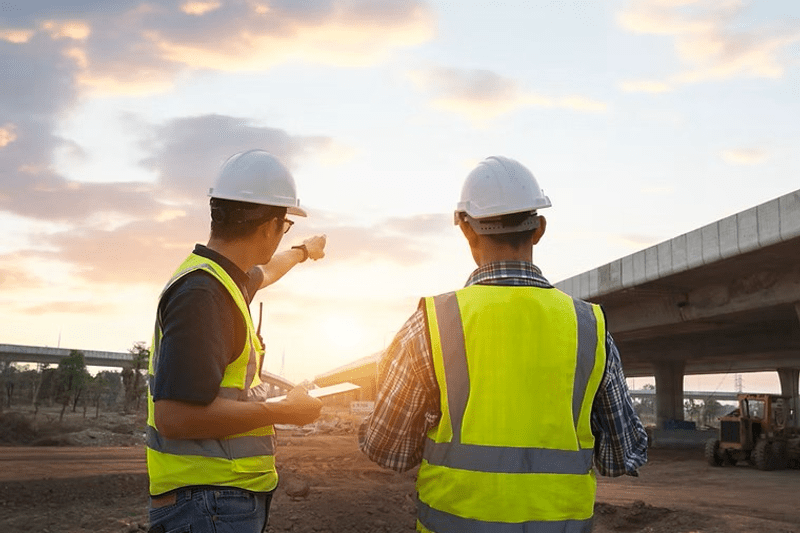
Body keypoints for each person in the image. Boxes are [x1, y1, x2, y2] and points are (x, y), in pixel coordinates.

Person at [359, 156, 648, 533]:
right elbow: (621, 456)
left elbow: (387, 449)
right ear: (539, 228)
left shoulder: (432, 325)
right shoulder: (588, 329)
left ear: (465, 229)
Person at [146, 149, 326, 533]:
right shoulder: (203, 294)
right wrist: (283, 411)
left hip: (214, 500)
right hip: (209, 502)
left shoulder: (223, 279)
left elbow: (268, 270)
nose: (282, 237)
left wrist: (303, 252)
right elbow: (174, 418)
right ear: (268, 228)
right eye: (285, 228)